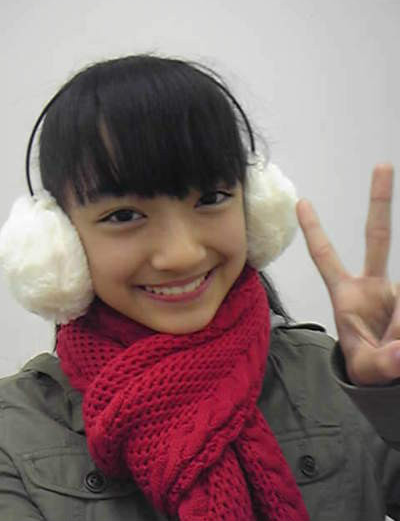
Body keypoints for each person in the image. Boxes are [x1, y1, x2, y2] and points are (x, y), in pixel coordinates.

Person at [0, 54, 398, 521]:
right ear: (57, 243)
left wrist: (389, 400)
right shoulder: (15, 430)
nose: (182, 254)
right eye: (124, 215)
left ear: (254, 207)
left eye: (211, 198)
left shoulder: (333, 378)